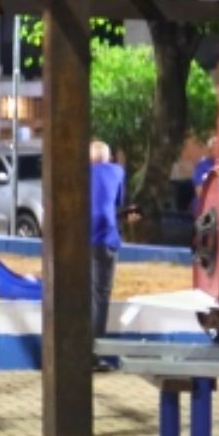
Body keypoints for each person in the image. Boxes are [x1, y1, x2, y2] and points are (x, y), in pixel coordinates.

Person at [89, 141, 127, 362]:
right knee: (101, 295)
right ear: (109, 158)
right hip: (105, 239)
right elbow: (121, 204)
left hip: (79, 239)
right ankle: (94, 353)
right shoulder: (117, 171)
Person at [190, 136, 217, 214]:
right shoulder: (202, 165)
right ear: (210, 150)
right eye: (215, 147)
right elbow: (199, 191)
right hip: (204, 203)